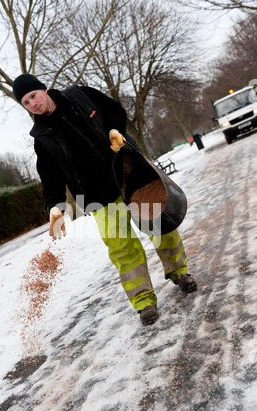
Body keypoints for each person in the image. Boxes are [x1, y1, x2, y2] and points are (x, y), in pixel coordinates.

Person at [12, 73, 197, 326]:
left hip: (131, 174)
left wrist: (114, 129)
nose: (32, 104)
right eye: (25, 102)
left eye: (33, 96)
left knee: (160, 227)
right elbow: (50, 175)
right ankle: (144, 302)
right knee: (122, 248)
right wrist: (55, 206)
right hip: (97, 197)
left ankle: (180, 273)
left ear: (43, 90)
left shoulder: (79, 94)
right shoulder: (42, 136)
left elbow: (114, 108)